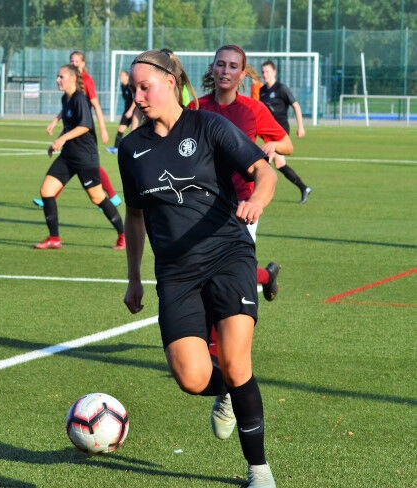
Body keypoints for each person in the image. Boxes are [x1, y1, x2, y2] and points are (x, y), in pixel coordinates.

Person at [119, 49, 278, 487]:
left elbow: (264, 172)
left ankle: (259, 471)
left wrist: (256, 201)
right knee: (191, 378)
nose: (138, 97)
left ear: (171, 82)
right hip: (176, 274)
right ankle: (228, 390)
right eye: (133, 89)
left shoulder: (208, 126)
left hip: (228, 255)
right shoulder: (131, 148)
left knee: (236, 362)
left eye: (145, 87)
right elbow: (135, 216)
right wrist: (134, 279)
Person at [194, 45, 290, 303]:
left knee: (234, 272)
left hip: (243, 204)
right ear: (212, 68)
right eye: (221, 64)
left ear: (243, 74)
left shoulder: (253, 109)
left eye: (233, 66)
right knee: (205, 268)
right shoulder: (196, 108)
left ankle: (262, 280)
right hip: (203, 203)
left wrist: (273, 145)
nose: (226, 71)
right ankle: (266, 276)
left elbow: (287, 144)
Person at [34, 64, 125, 251]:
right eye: (58, 76)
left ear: (73, 78)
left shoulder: (80, 99)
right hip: (68, 156)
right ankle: (54, 238)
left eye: (61, 77)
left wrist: (62, 139)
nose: (58, 80)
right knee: (47, 190)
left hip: (85, 157)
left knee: (97, 197)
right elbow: (70, 126)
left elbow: (84, 125)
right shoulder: (65, 99)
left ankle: (124, 235)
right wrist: (58, 140)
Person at [260, 59, 312, 204]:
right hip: (268, 133)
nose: (265, 74)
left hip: (280, 132)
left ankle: (256, 196)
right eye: (263, 72)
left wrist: (300, 127)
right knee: (280, 164)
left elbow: (296, 106)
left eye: (268, 71)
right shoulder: (262, 91)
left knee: (264, 162)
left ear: (274, 72)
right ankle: (304, 188)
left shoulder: (281, 89)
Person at [107, 70, 139, 154]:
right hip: (127, 110)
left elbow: (135, 99)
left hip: (134, 110)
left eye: (122, 75)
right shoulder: (123, 86)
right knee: (121, 128)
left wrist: (130, 111)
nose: (120, 77)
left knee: (134, 130)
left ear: (127, 77)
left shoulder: (130, 86)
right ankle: (116, 148)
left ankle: (134, 149)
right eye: (120, 76)